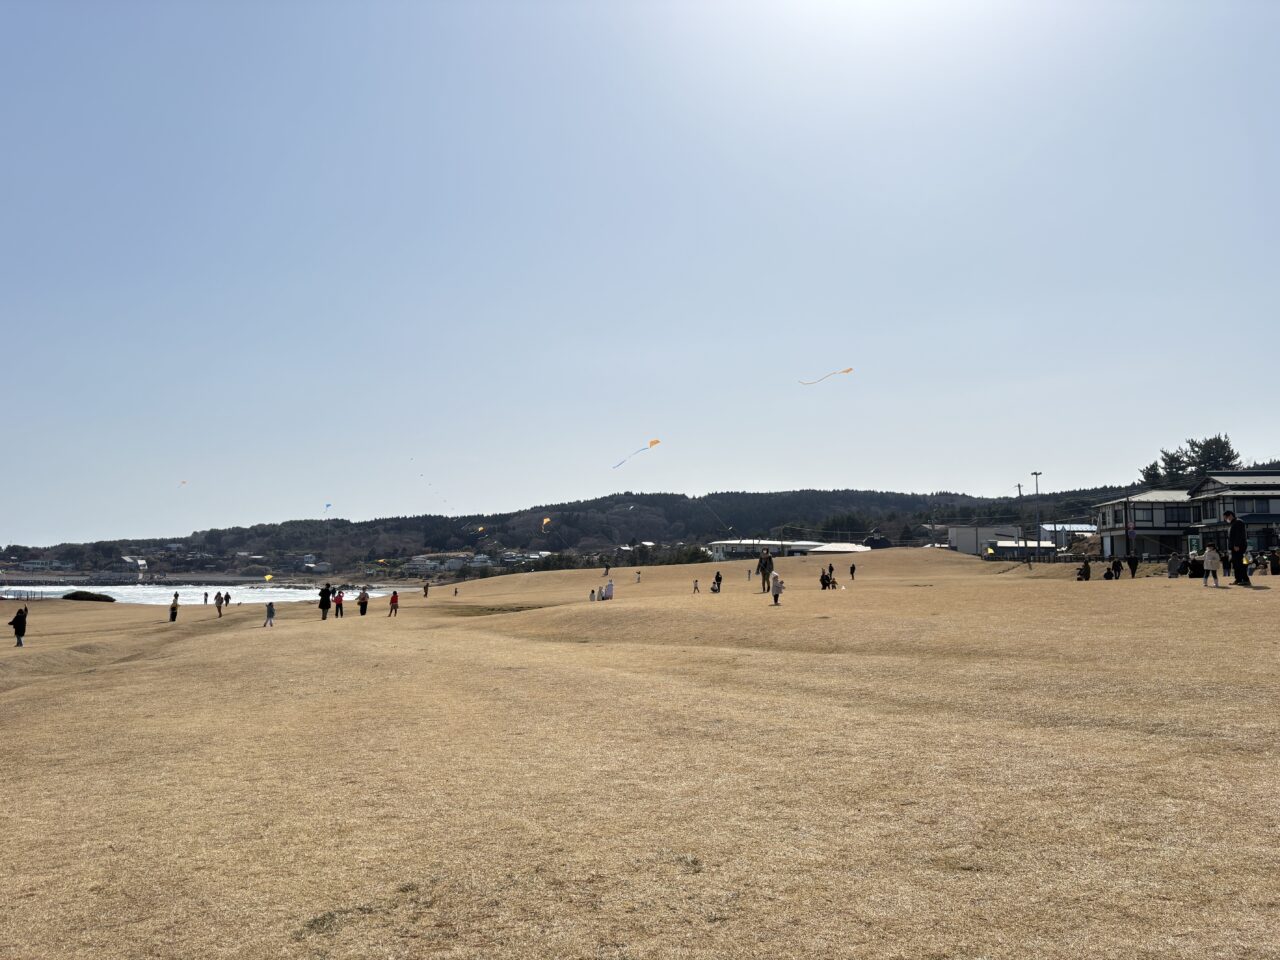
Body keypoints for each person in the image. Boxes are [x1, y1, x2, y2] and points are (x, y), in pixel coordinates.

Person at [1225, 511, 1250, 586]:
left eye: (1226, 517)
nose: (1226, 519)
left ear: (1230, 515)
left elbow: (1239, 535)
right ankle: (1238, 579)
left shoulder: (1238, 522)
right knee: (1235, 564)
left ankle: (1245, 579)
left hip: (1239, 546)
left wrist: (1236, 545)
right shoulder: (1233, 523)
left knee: (1240, 563)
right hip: (1234, 547)